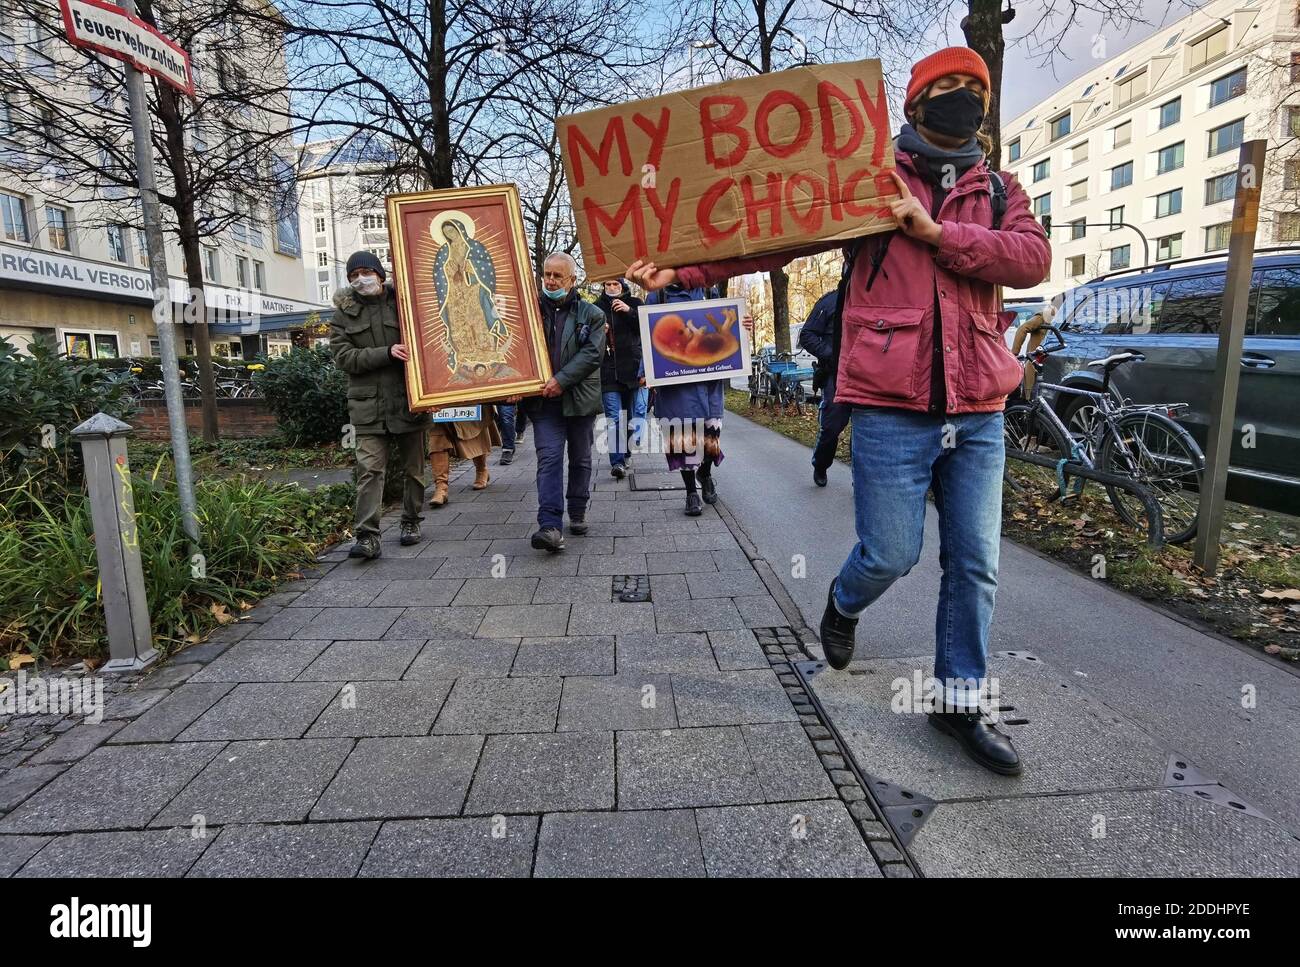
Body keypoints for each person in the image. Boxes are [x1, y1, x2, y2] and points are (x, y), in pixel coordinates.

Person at [629, 47, 1051, 776]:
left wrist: (938, 234)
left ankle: (957, 699)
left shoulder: (998, 190)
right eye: (944, 88)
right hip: (891, 402)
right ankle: (845, 602)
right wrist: (683, 268)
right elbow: (772, 234)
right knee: (891, 551)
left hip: (979, 406)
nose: (960, 100)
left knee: (975, 562)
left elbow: (1030, 259)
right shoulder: (866, 182)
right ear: (913, 104)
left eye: (970, 89)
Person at [329, 251, 427, 559]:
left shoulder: (405, 303)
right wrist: (386, 352)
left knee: (414, 470)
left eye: (365, 272)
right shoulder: (343, 314)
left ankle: (411, 521)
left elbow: (430, 340)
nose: (360, 279)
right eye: (353, 275)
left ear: (380, 274)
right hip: (368, 407)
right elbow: (344, 358)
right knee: (370, 470)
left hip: (409, 400)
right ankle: (367, 536)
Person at [526, 252, 607, 552]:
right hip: (543, 402)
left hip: (579, 399)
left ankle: (577, 509)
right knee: (548, 459)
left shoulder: (592, 315)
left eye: (557, 276)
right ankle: (549, 525)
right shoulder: (529, 311)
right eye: (547, 274)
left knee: (581, 458)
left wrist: (561, 380)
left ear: (573, 280)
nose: (550, 280)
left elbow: (592, 355)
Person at [645, 283, 729, 517]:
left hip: (709, 381)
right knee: (683, 438)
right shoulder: (657, 296)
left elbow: (723, 330)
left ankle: (706, 472)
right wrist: (646, 370)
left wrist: (742, 329)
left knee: (711, 438)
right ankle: (691, 491)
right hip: (676, 383)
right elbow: (648, 337)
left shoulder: (709, 290)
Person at [799, 289, 851, 487]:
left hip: (868, 376)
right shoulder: (830, 301)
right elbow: (807, 335)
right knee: (831, 427)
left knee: (866, 430)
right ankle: (821, 464)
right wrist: (832, 354)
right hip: (836, 375)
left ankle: (862, 479)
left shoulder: (877, 295)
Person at [596, 278, 646, 479]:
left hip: (633, 370)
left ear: (622, 286)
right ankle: (617, 462)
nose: (611, 288)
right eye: (608, 285)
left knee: (633, 417)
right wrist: (599, 332)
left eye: (615, 284)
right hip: (609, 371)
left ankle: (625, 450)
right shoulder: (595, 308)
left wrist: (629, 312)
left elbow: (646, 330)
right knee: (614, 419)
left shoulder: (635, 303)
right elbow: (586, 338)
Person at [427, 404, 502, 506]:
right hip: (440, 401)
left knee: (475, 428)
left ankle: (481, 469)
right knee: (437, 438)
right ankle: (441, 487)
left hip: (468, 397)